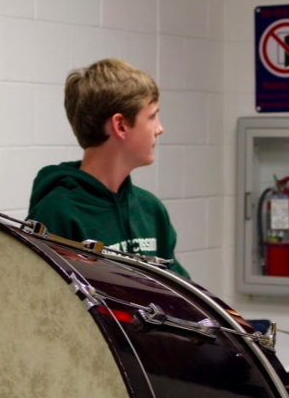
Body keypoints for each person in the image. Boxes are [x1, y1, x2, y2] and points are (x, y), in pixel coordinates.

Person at [27, 58, 190, 278]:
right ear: (120, 125)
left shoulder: (151, 210)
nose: (159, 128)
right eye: (151, 116)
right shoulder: (57, 213)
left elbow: (180, 290)